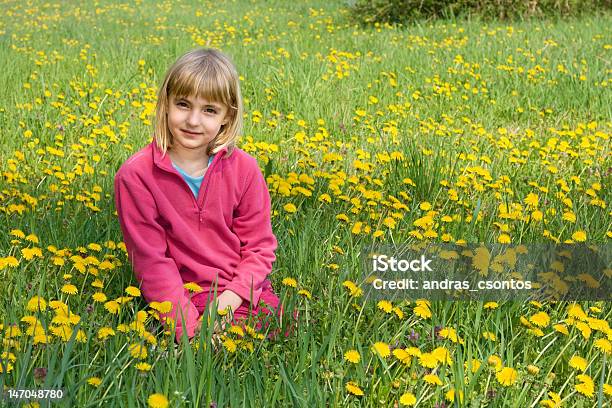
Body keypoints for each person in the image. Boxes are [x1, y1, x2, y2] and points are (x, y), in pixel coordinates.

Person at [114, 48, 281, 344]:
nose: (193, 120)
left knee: (280, 330)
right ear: (165, 104)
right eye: (183, 104)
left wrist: (229, 301)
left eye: (209, 110)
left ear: (227, 117)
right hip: (186, 295)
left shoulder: (245, 169)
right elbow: (152, 263)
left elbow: (259, 248)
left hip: (239, 291)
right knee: (218, 354)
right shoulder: (136, 176)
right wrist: (191, 333)